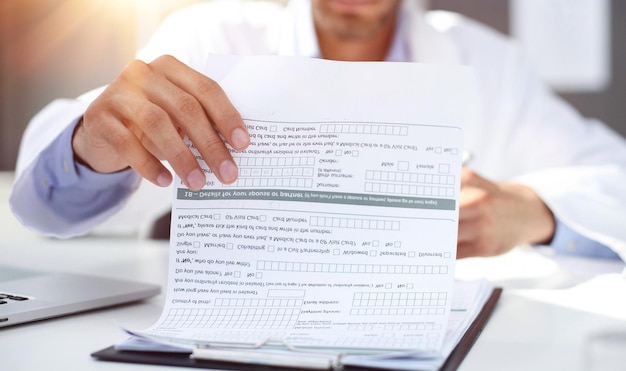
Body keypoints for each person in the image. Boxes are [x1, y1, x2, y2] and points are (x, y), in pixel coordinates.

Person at [9, 0, 626, 261]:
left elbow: (614, 178)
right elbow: (48, 213)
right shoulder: (210, 41)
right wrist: (89, 148)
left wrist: (535, 210)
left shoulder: (488, 62)